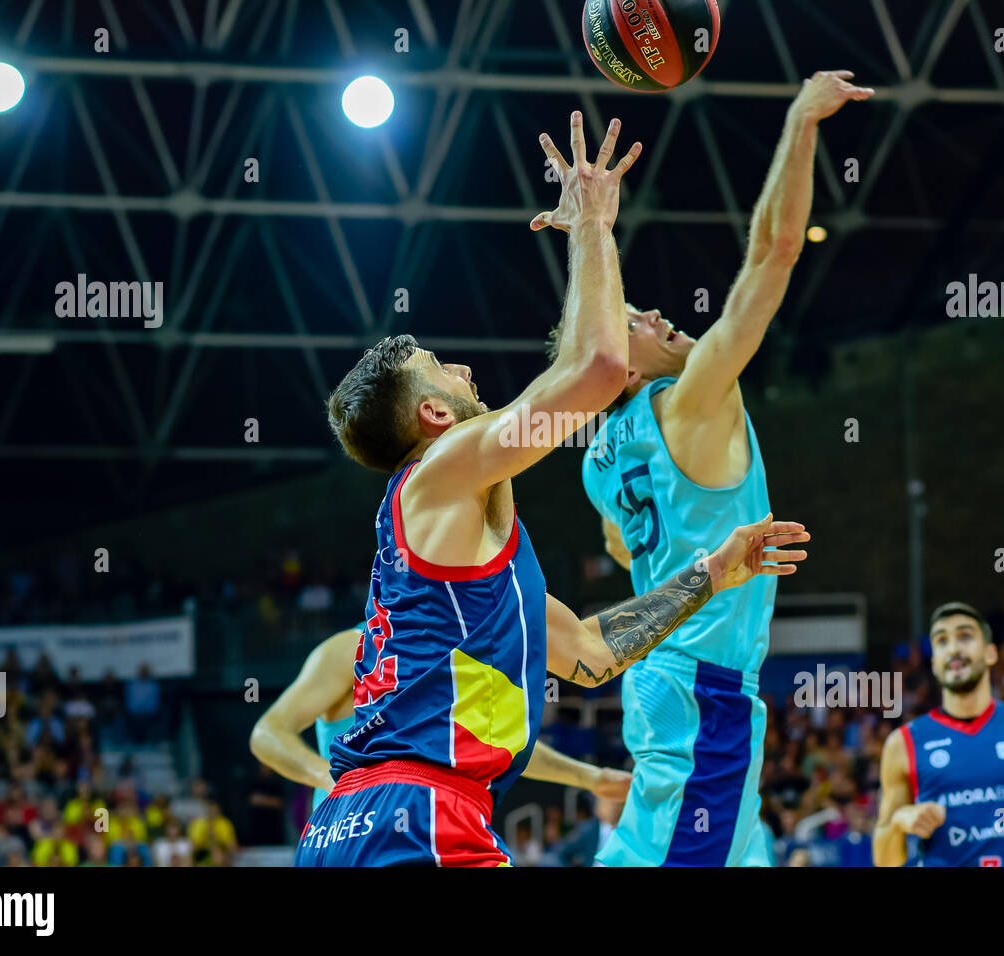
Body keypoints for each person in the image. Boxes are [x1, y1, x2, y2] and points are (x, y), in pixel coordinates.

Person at [296, 111, 810, 867]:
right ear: (434, 414)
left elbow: (597, 654)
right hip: (418, 814)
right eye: (446, 369)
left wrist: (711, 572)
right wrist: (594, 226)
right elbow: (596, 370)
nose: (468, 372)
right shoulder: (438, 470)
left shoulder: (472, 575)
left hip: (367, 821)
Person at [564, 70, 871, 866]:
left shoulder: (599, 460)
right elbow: (771, 256)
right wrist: (801, 120)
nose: (661, 317)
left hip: (671, 671)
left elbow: (629, 553)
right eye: (638, 323)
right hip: (702, 684)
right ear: (618, 366)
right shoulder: (687, 400)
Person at [250, 626, 633, 814]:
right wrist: (330, 777)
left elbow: (502, 742)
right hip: (353, 830)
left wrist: (590, 777)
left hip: (428, 831)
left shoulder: (456, 655)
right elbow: (268, 733)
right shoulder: (349, 648)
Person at [873, 602, 1004, 866]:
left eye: (965, 636)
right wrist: (899, 821)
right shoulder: (903, 742)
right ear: (935, 664)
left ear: (991, 653)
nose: (954, 648)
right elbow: (885, 860)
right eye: (942, 641)